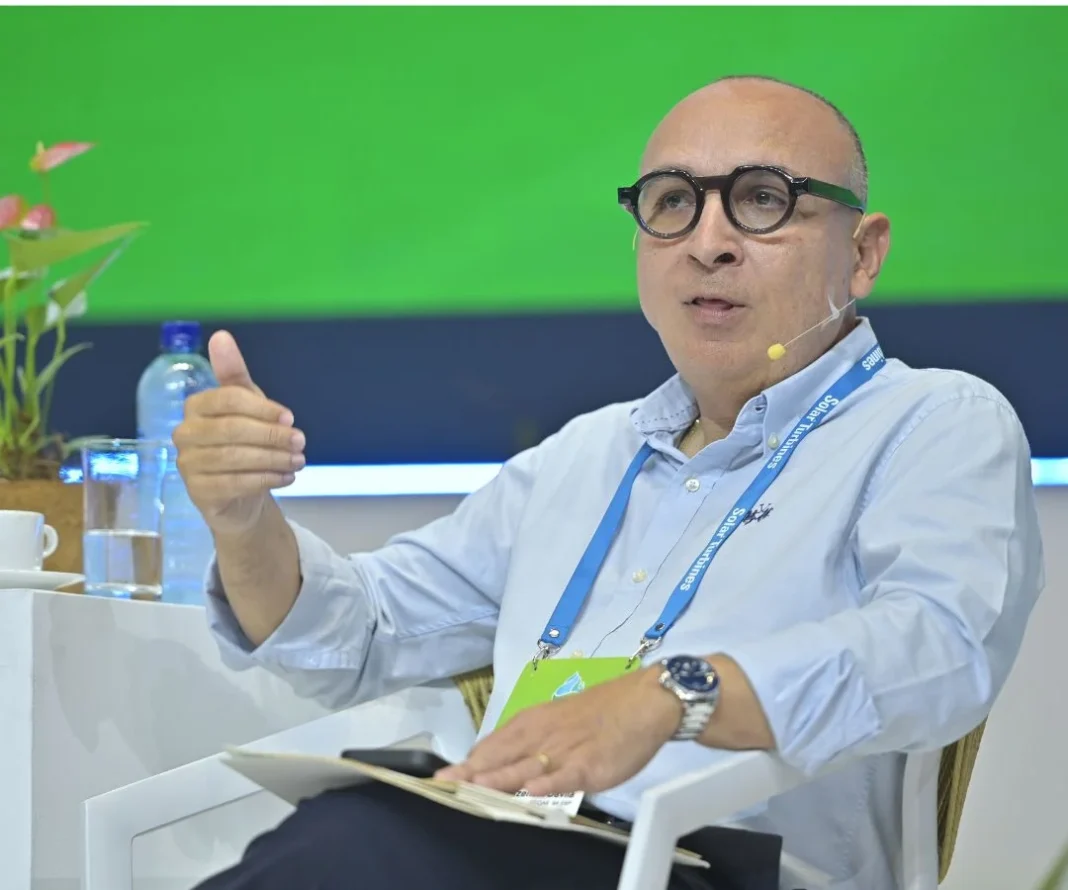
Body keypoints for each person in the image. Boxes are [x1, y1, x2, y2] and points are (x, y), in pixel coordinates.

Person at [174, 75, 1045, 890]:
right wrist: (245, 521)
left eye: (763, 201)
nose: (709, 244)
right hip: (528, 839)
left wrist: (675, 696)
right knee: (349, 835)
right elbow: (360, 636)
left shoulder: (935, 422)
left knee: (351, 847)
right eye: (673, 203)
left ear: (862, 253)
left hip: (734, 869)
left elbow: (939, 651)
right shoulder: (587, 454)